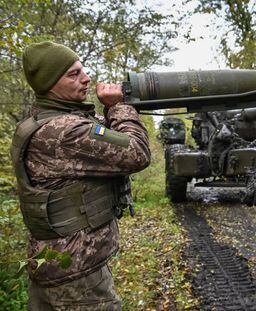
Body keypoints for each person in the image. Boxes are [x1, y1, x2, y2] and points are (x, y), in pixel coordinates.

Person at [11, 41, 151, 310]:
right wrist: (119, 106)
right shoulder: (65, 131)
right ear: (50, 83)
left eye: (82, 70)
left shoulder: (39, 121)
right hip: (77, 275)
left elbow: (101, 133)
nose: (86, 78)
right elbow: (136, 153)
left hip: (54, 263)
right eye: (73, 74)